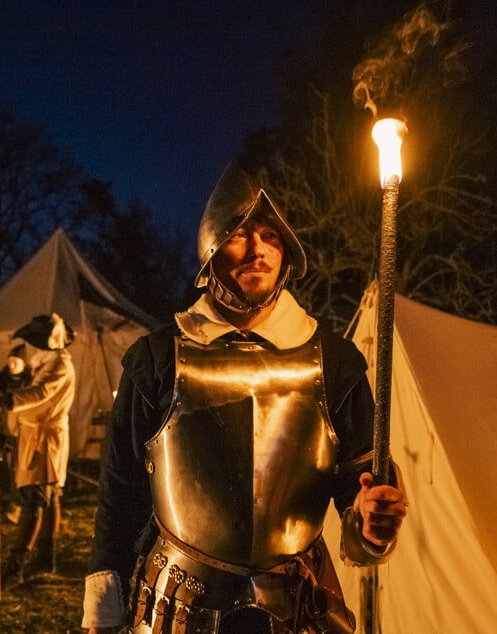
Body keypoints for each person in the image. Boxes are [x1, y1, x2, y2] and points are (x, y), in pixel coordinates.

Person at [81, 164, 409, 633]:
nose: (257, 250)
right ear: (211, 251)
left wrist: (372, 522)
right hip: (177, 607)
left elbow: (357, 493)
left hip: (298, 608)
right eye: (239, 234)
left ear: (287, 251)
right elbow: (120, 497)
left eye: (271, 236)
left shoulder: (335, 363)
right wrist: (102, 615)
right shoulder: (155, 360)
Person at [2, 313, 76, 583]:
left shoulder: (59, 364)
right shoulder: (48, 361)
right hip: (38, 437)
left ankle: (16, 564)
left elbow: (42, 393)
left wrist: (10, 400)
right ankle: (45, 558)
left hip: (44, 441)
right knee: (47, 498)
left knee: (36, 500)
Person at [0, 344, 33, 523]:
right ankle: (17, 504)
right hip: (7, 432)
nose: (11, 364)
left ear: (24, 363)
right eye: (9, 361)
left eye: (15, 361)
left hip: (27, 433)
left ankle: (24, 505)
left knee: (25, 471)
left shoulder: (31, 380)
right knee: (13, 471)